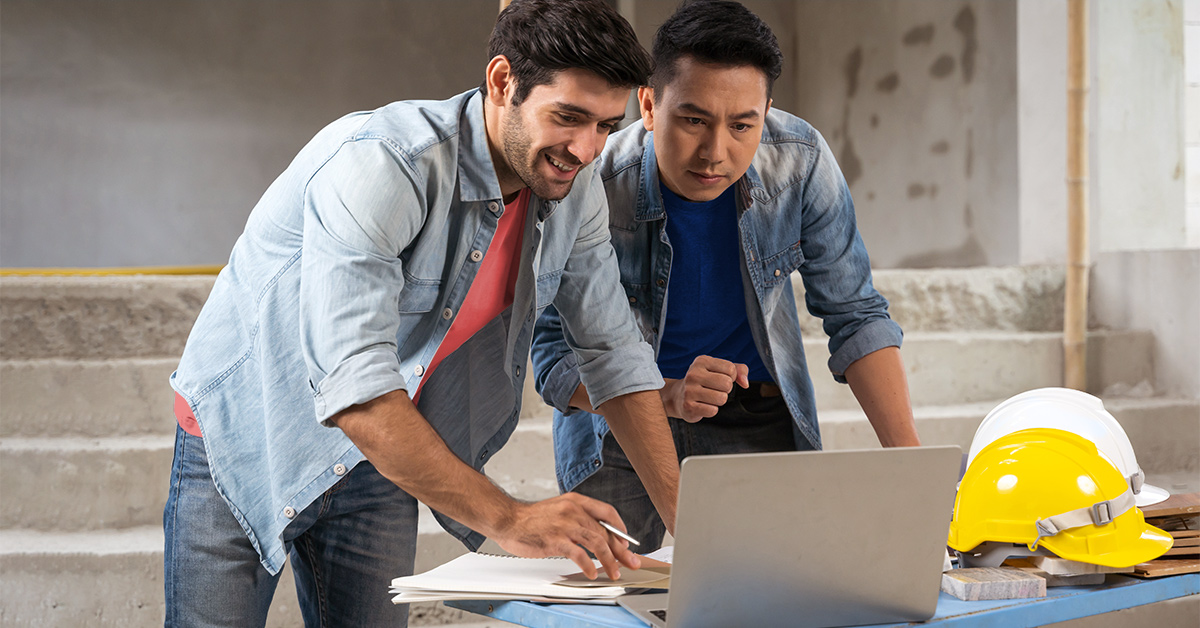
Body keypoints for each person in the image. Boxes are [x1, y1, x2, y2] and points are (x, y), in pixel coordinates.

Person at [163, 1, 682, 625]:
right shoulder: (385, 164)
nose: (585, 148)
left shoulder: (575, 190)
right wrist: (511, 519)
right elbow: (354, 388)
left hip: (384, 448)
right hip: (249, 432)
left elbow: (612, 353)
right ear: (501, 82)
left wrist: (698, 541)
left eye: (605, 125)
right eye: (568, 118)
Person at [531, 0, 922, 552]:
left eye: (743, 125)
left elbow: (854, 314)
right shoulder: (592, 181)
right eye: (693, 120)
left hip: (756, 418)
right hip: (620, 428)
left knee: (772, 593)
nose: (716, 152)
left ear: (767, 111)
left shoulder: (801, 161)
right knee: (621, 605)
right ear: (647, 104)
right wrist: (665, 394)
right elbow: (551, 356)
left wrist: (911, 467)